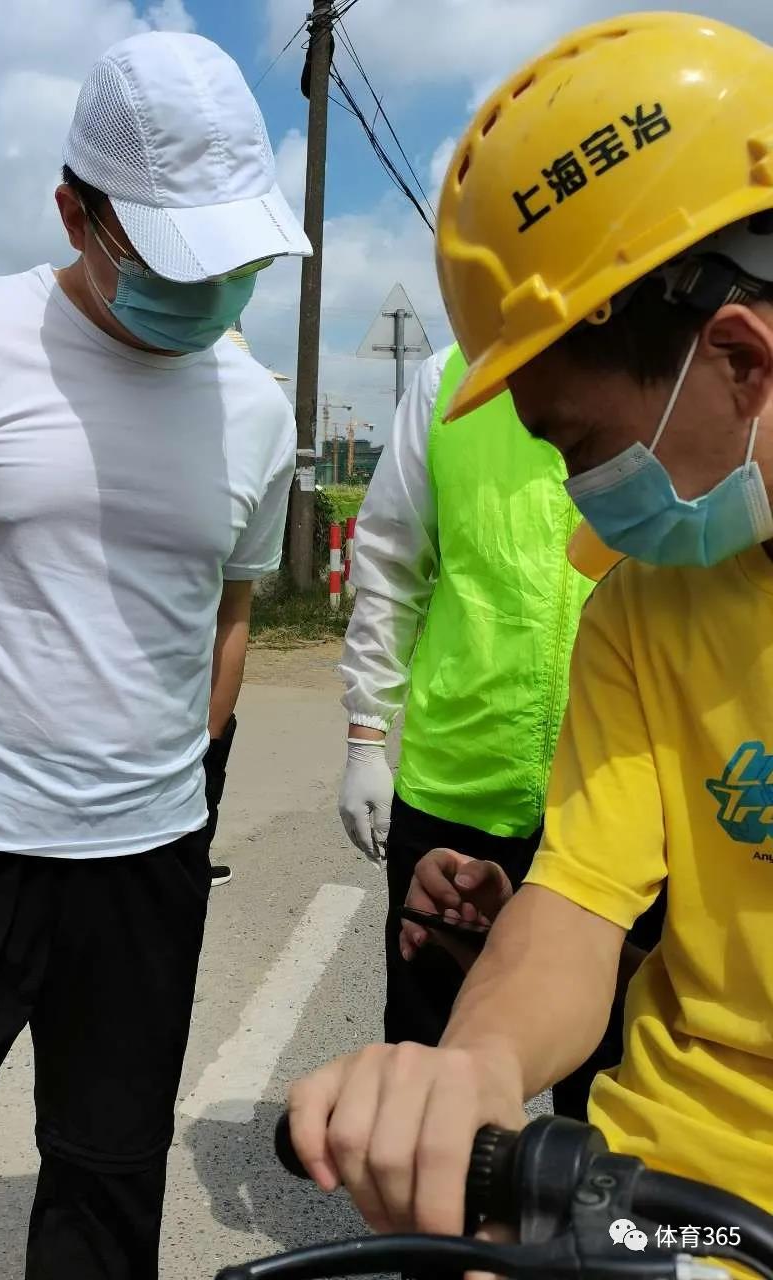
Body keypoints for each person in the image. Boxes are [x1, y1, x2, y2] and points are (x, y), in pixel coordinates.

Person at [0, 30, 309, 1280]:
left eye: (235, 259)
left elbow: (228, 614)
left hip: (143, 867)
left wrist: (188, 796)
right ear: (75, 213)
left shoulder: (255, 406)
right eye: (176, 256)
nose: (211, 289)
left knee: (106, 1189)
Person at [288, 10, 773, 1236]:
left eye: (582, 443)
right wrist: (480, 1063)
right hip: (679, 1191)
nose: (577, 490)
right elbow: (581, 896)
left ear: (739, 358)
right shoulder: (643, 605)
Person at [337, 343, 664, 1117]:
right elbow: (390, 563)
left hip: (623, 793)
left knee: (614, 1085)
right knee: (436, 1068)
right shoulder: (448, 382)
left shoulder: (661, 364)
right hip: (458, 790)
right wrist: (366, 732)